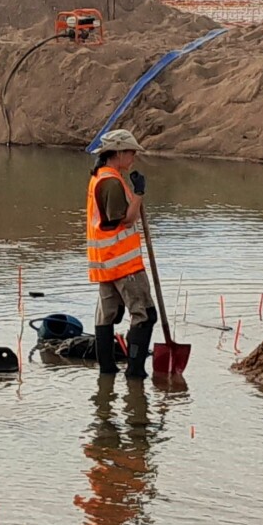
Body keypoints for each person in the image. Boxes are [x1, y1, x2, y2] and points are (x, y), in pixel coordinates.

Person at [85, 129, 159, 379]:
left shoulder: (101, 176)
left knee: (107, 315)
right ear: (117, 152)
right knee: (145, 315)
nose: (134, 158)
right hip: (123, 263)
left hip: (105, 263)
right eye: (131, 153)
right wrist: (138, 193)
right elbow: (126, 220)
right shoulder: (111, 181)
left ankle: (107, 373)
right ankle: (135, 374)